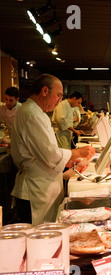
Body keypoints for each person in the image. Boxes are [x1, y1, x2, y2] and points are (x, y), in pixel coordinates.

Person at [10, 74, 95, 225]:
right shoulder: (31, 114)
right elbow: (50, 154)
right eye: (58, 95)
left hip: (42, 185)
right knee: (38, 239)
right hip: (34, 189)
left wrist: (69, 162)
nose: (59, 100)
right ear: (44, 91)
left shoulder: (36, 112)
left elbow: (42, 152)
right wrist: (78, 153)